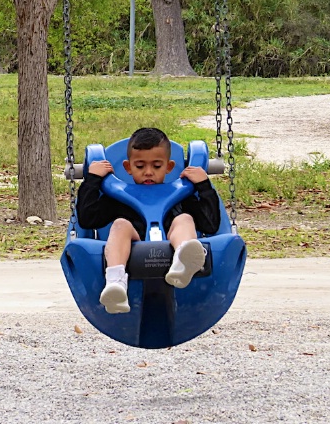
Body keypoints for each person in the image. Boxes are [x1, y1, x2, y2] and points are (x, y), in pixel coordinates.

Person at [76, 127, 222, 314]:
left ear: (169, 167)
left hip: (171, 244)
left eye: (157, 166)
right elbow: (87, 219)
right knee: (121, 225)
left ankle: (183, 260)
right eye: (139, 166)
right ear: (127, 167)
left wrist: (203, 186)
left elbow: (210, 225)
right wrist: (92, 180)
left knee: (184, 219)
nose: (148, 172)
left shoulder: (181, 195)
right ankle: (115, 283)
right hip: (131, 250)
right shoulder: (118, 197)